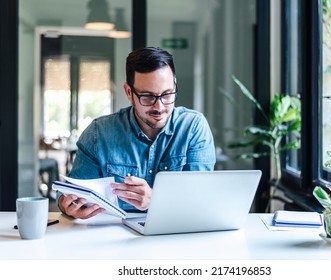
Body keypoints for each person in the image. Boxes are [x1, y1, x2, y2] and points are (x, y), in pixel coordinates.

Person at [58, 46, 216, 219]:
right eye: (147, 97)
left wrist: (155, 200)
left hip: (177, 233)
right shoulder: (99, 133)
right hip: (113, 236)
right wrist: (67, 205)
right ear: (128, 92)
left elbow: (200, 201)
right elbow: (71, 194)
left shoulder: (193, 127)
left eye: (167, 94)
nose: (159, 106)